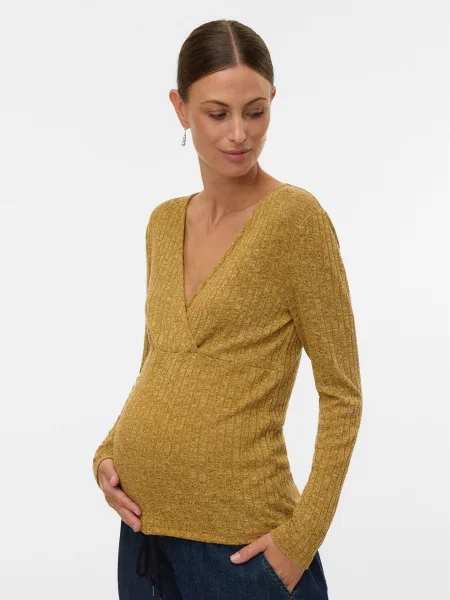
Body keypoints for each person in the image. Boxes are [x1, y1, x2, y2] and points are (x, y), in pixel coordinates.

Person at [92, 18, 363, 600]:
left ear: (272, 103)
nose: (240, 133)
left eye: (255, 111)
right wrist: (109, 452)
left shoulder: (295, 221)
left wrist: (301, 539)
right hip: (141, 535)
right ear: (180, 109)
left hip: (239, 549)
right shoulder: (164, 223)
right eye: (217, 114)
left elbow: (343, 395)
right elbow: (158, 363)